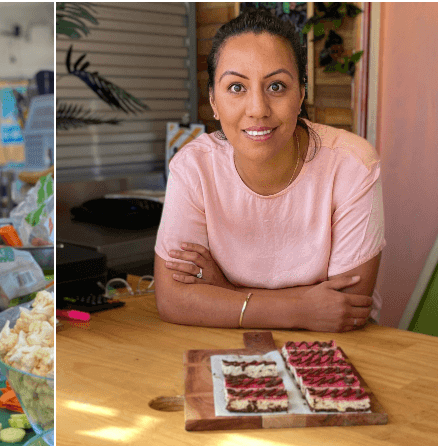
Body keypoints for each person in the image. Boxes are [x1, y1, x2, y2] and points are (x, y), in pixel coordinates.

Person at [155, 9, 384, 333]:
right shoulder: (193, 167)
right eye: (236, 87)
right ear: (213, 101)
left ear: (301, 94)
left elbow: (343, 308)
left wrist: (226, 294)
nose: (258, 109)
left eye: (276, 86)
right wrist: (301, 309)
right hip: (225, 347)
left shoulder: (353, 165)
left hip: (340, 353)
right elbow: (172, 299)